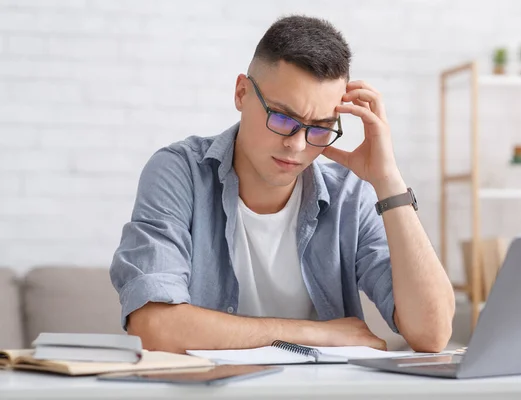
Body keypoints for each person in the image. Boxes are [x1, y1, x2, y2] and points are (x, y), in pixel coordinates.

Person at [110, 15, 455, 354]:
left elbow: (432, 333)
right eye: (283, 118)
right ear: (242, 93)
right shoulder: (180, 172)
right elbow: (154, 327)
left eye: (320, 126)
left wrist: (388, 180)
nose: (299, 145)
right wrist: (314, 334)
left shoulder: (349, 195)